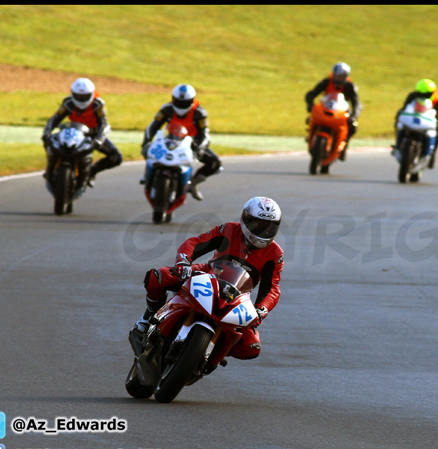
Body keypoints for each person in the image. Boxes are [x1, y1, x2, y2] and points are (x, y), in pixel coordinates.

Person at [130, 196, 284, 361]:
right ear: (245, 219)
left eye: (269, 227)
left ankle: (215, 349)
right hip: (208, 273)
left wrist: (261, 310)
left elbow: (272, 288)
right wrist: (183, 262)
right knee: (158, 277)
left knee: (251, 347)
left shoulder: (275, 254)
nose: (263, 231)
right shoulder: (229, 229)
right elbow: (195, 243)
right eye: (258, 225)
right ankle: (147, 319)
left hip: (239, 295)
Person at [141, 84, 222, 201]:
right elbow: (152, 127)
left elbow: (205, 135)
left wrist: (199, 148)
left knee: (215, 163)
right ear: (173, 99)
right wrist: (146, 143)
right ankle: (147, 176)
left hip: (192, 143)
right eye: (178, 102)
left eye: (184, 102)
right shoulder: (166, 109)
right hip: (170, 139)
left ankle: (192, 183)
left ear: (192, 100)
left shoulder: (200, 113)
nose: (181, 105)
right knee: (149, 152)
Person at [41, 78, 123, 188]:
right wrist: (47, 133)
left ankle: (91, 172)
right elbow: (54, 119)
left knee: (116, 157)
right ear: (72, 93)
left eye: (85, 96)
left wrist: (99, 140)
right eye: (78, 96)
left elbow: (104, 124)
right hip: (72, 133)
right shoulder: (68, 103)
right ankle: (51, 168)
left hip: (92, 134)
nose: (81, 99)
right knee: (50, 142)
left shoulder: (97, 104)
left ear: (92, 94)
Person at [305, 62, 362, 161]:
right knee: (310, 119)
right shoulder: (326, 82)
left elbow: (356, 103)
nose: (338, 79)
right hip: (326, 108)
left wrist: (354, 115)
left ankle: (343, 148)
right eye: (336, 76)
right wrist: (310, 105)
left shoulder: (350, 86)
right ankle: (311, 137)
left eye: (341, 77)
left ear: (345, 77)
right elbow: (311, 94)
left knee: (352, 127)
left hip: (341, 111)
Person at [392, 79, 438, 169]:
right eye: (420, 94)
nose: (423, 96)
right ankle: (398, 145)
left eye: (426, 94)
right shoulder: (412, 97)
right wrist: (400, 114)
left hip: (429, 125)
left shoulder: (437, 101)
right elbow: (404, 108)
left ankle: (433, 151)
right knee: (399, 123)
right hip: (414, 121)